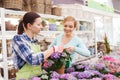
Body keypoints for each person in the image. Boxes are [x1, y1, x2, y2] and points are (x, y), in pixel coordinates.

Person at [12, 12, 63, 80]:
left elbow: (37, 60)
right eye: (38, 24)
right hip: (25, 78)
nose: (41, 27)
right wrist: (52, 49)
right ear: (29, 25)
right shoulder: (18, 39)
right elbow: (32, 59)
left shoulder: (34, 41)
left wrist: (43, 62)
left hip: (36, 76)